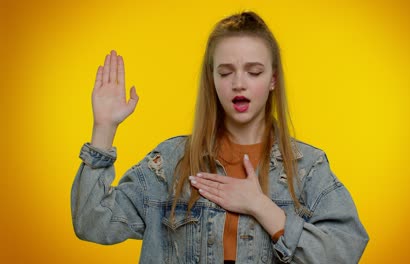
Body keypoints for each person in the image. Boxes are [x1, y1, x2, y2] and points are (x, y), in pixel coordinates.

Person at [71, 11, 369, 263]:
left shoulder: (308, 168)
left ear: (273, 79)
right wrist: (104, 128)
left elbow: (346, 250)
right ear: (211, 79)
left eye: (253, 72)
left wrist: (261, 207)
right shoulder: (171, 163)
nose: (239, 83)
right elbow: (92, 223)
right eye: (226, 73)